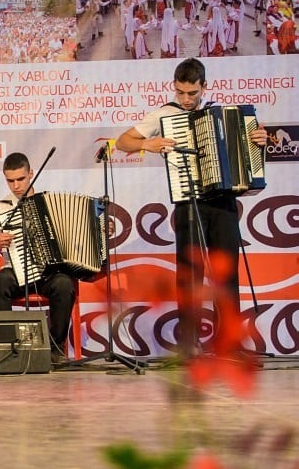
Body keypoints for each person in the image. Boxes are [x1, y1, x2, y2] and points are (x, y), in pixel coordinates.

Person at [115, 57, 268, 357]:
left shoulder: (222, 113)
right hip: (188, 200)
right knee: (190, 275)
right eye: (180, 92)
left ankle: (230, 343)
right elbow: (122, 141)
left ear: (204, 87)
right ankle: (188, 344)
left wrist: (258, 141)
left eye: (192, 93)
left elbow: (246, 154)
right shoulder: (164, 114)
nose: (185, 99)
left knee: (227, 273)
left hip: (222, 200)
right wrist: (148, 144)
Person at [0, 152, 77, 365]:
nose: (16, 185)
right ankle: (10, 349)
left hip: (49, 272)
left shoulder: (51, 203)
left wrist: (101, 230)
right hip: (16, 271)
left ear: (31, 174)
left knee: (64, 284)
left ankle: (55, 349)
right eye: (10, 181)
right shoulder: (0, 209)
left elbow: (77, 233)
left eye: (21, 179)